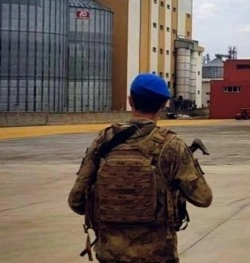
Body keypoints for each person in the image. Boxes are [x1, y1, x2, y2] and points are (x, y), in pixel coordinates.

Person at [68, 73, 213, 263]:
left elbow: (76, 201)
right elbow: (203, 198)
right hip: (158, 255)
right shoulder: (172, 146)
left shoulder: (103, 141)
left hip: (110, 254)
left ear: (130, 101)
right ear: (163, 105)